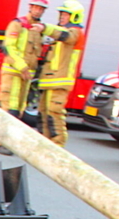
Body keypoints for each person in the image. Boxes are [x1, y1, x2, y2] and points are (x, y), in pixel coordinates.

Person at [0, 0, 47, 155]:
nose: (38, 11)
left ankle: (10, 143)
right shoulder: (17, 24)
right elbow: (9, 48)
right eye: (36, 7)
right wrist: (22, 66)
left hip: (25, 76)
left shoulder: (37, 29)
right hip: (13, 73)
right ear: (30, 7)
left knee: (18, 110)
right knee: (8, 109)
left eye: (41, 9)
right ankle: (1, 143)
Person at [38, 0, 85, 146]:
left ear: (75, 17)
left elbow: (65, 36)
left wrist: (45, 28)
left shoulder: (75, 33)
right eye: (61, 14)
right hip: (50, 80)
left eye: (66, 14)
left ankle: (57, 146)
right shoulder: (60, 32)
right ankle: (45, 144)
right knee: (43, 114)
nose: (62, 17)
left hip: (60, 80)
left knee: (54, 113)